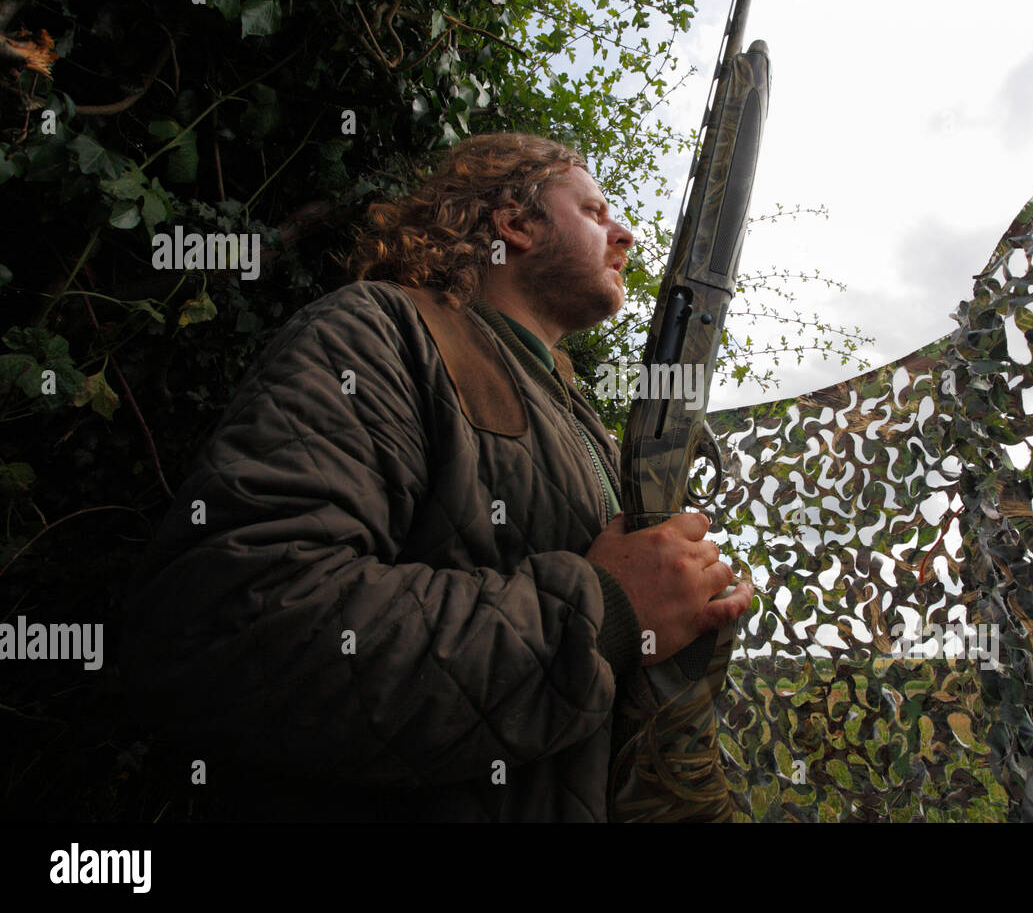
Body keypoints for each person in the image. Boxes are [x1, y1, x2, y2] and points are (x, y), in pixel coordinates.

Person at [120, 131, 754, 821]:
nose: (625, 233)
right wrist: (601, 612)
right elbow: (226, 625)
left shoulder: (588, 429)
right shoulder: (380, 334)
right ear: (514, 223)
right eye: (596, 211)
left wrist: (686, 612)